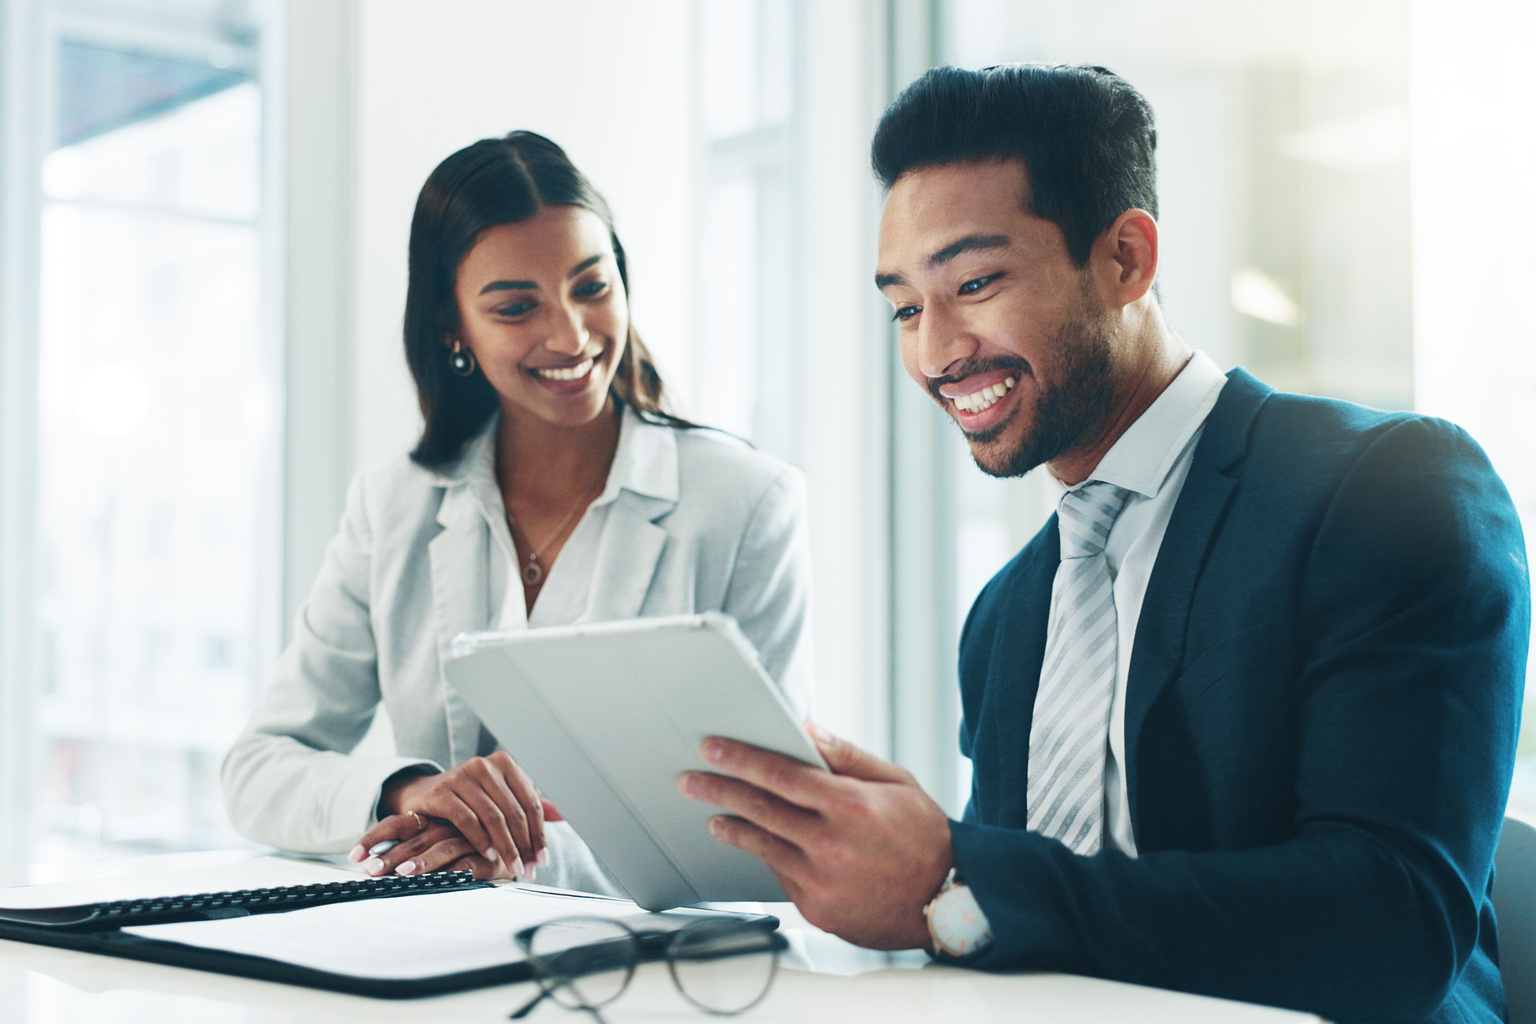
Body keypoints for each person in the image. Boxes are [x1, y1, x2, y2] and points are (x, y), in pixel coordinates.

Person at [680, 64, 1529, 1024]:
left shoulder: (1386, 491)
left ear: (1125, 259)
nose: (935, 352)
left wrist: (953, 874)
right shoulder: (1007, 616)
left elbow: (1390, 929)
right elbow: (1021, 930)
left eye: (975, 282)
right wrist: (902, 881)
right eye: (907, 309)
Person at [223, 131, 813, 891]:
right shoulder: (394, 504)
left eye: (592, 287)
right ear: (453, 327)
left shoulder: (746, 502)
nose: (569, 334)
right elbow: (260, 769)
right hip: (441, 956)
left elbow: (780, 817)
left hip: (654, 970)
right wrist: (411, 793)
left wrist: (505, 850)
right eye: (514, 307)